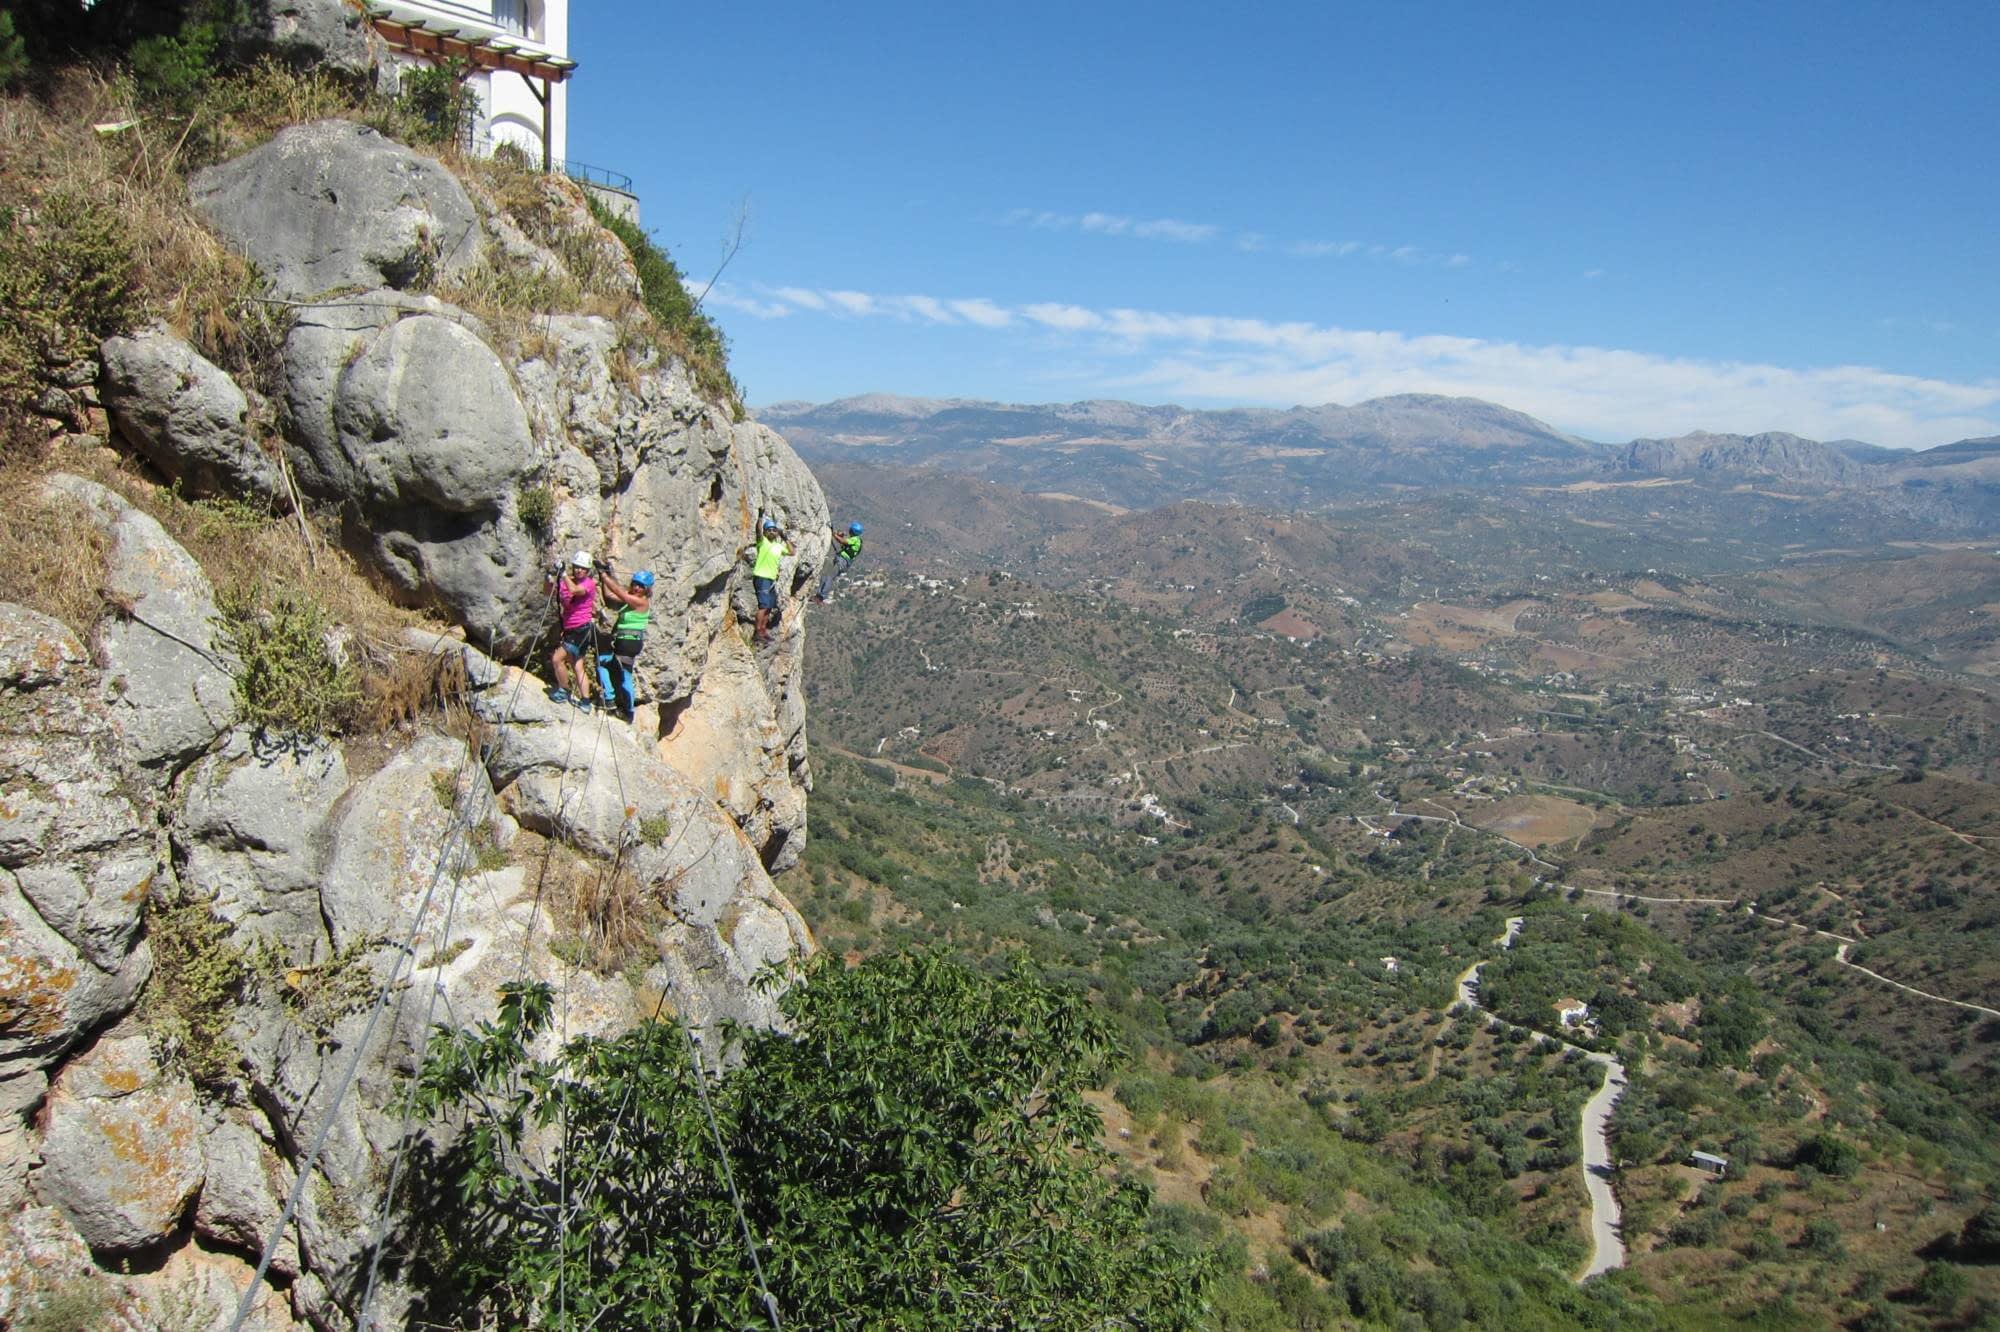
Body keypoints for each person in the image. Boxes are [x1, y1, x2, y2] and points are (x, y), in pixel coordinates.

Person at [595, 566, 654, 723]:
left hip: (629, 643)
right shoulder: (631, 600)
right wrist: (604, 580)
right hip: (625, 642)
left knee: (614, 670)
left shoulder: (641, 602)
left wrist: (604, 575)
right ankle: (622, 708)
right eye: (634, 584)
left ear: (646, 590)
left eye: (640, 586)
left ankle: (615, 703)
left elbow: (620, 593)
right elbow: (609, 594)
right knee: (616, 670)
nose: (636, 588)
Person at [546, 550, 597, 709]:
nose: (579, 570)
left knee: (557, 659)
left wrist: (563, 574)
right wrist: (548, 579)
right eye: (577, 567)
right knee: (577, 665)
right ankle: (586, 701)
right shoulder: (566, 581)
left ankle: (564, 690)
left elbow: (575, 590)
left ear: (588, 571)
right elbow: (548, 593)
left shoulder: (589, 583)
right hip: (571, 629)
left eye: (583, 568)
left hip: (580, 628)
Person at [745, 516, 790, 646]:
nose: (771, 532)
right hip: (761, 577)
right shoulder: (762, 542)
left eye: (774, 530)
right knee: (763, 606)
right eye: (769, 530)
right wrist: (759, 518)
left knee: (769, 606)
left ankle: (763, 631)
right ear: (765, 532)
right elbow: (758, 531)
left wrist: (785, 538)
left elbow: (792, 552)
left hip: (771, 579)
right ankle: (757, 632)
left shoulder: (778, 546)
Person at [813, 521, 864, 603]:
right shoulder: (853, 539)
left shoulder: (856, 540)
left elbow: (843, 542)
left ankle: (821, 597)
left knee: (829, 576)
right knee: (825, 574)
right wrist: (838, 535)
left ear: (852, 531)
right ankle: (818, 595)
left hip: (843, 561)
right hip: (840, 559)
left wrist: (834, 534)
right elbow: (844, 542)